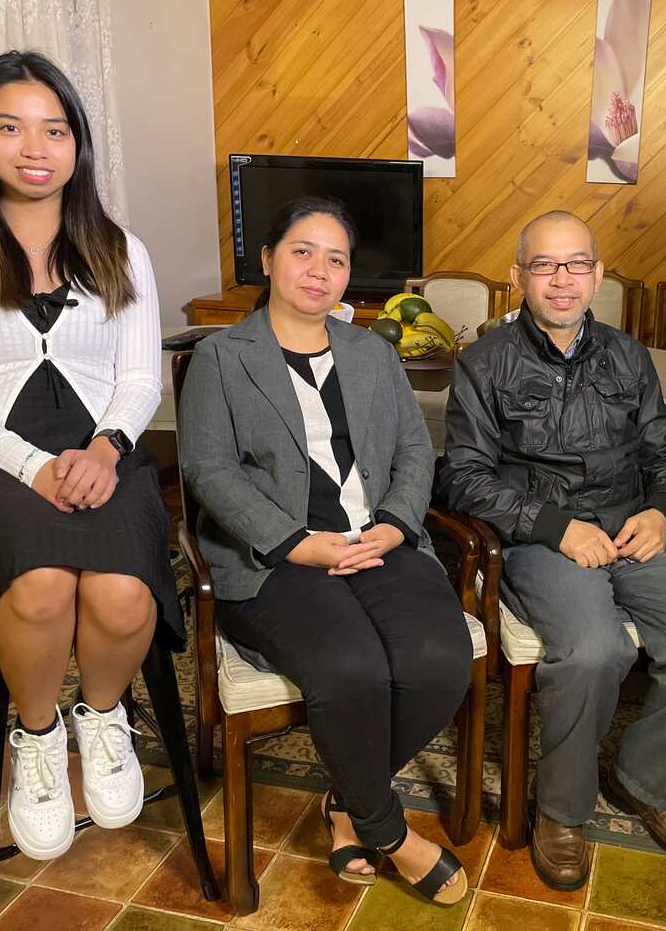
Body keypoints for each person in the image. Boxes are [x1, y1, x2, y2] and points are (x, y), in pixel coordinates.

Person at [0, 51, 179, 860]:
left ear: (77, 144)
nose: (35, 147)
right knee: (42, 584)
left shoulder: (121, 249)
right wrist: (33, 466)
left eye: (54, 129)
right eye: (11, 126)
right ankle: (36, 738)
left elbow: (139, 377)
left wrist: (104, 447)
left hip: (104, 447)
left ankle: (101, 719)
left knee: (126, 595)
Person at [178, 197, 472, 906]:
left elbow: (412, 450)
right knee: (351, 667)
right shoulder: (221, 356)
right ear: (269, 260)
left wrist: (399, 525)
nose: (319, 269)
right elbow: (208, 471)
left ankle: (344, 804)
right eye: (303, 251)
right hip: (275, 559)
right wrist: (295, 545)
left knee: (440, 661)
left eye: (336, 258)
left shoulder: (372, 353)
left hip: (377, 540)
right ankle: (389, 831)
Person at [439, 210, 666, 890]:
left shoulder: (628, 356)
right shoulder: (484, 364)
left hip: (631, 529)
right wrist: (554, 528)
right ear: (518, 278)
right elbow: (464, 477)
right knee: (595, 648)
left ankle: (646, 780)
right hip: (540, 540)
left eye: (576, 264)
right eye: (545, 265)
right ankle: (561, 810)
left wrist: (663, 514)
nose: (562, 279)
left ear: (598, 275)